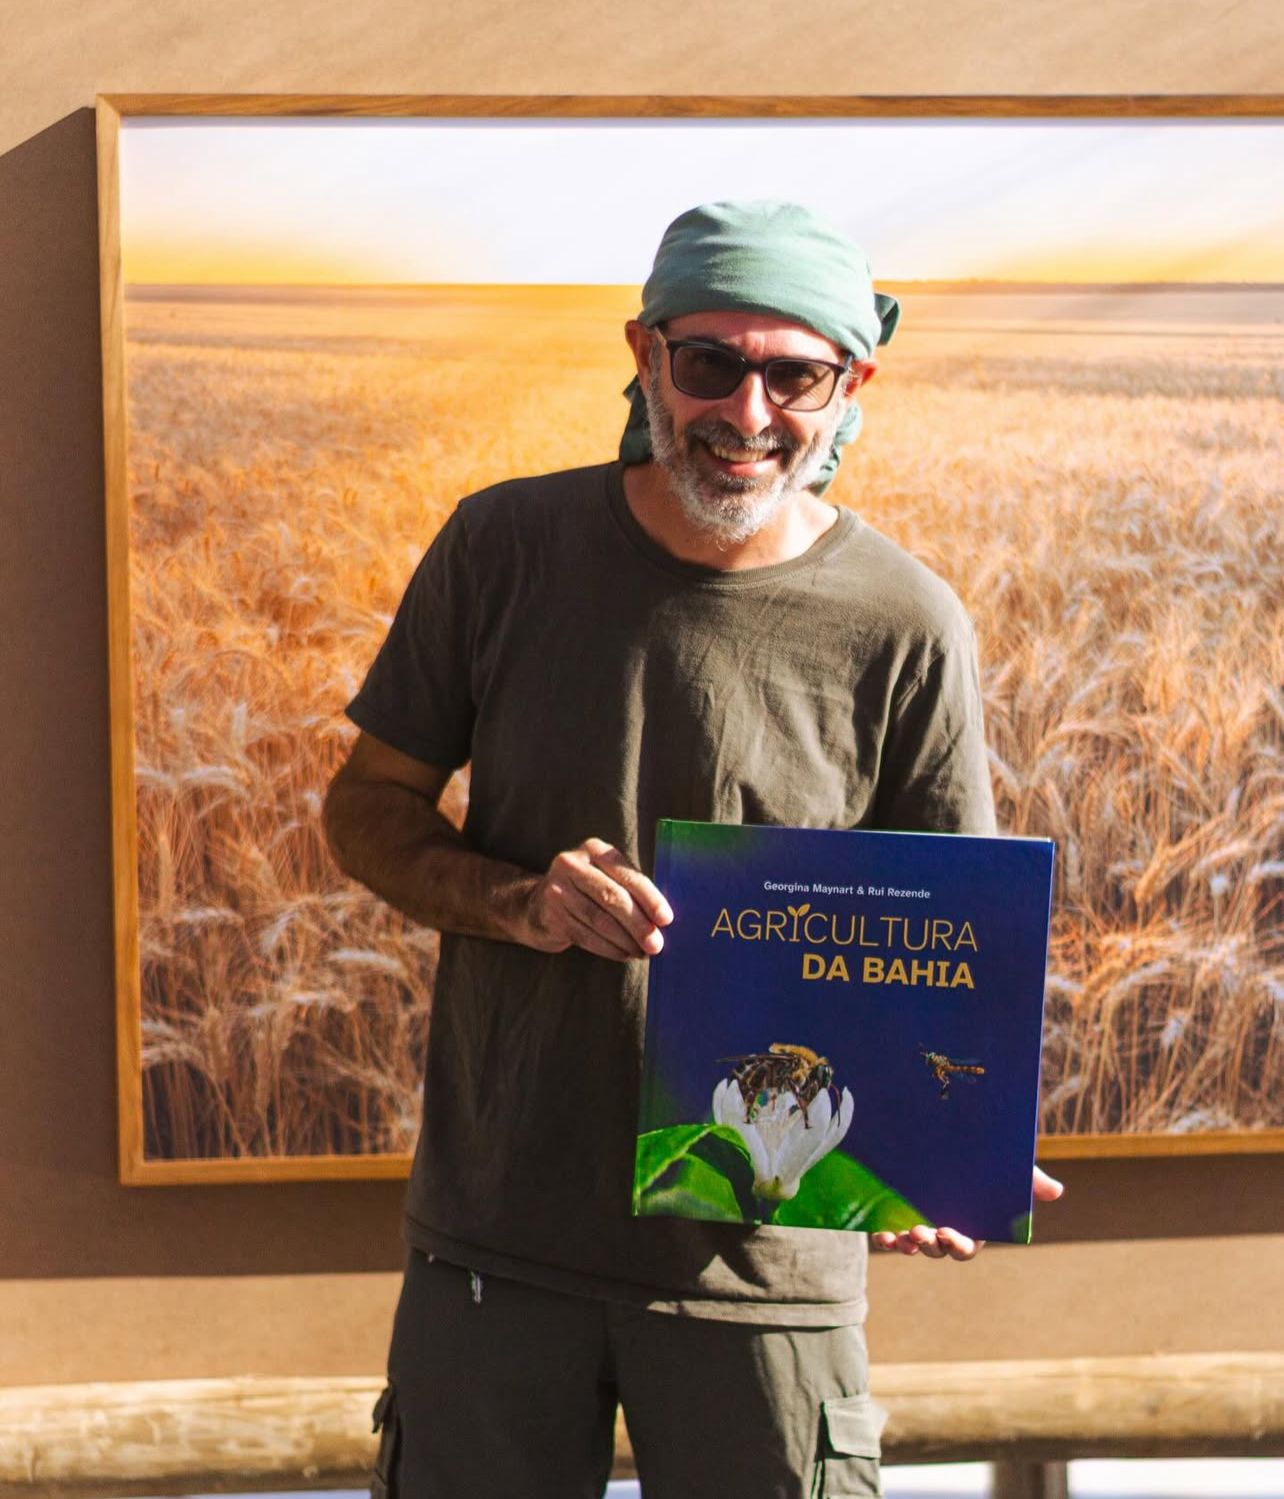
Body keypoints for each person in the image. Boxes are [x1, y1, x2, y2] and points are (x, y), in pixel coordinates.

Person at [323, 199, 1063, 1499]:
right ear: (646, 354)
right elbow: (365, 806)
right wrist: (517, 900)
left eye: (795, 373)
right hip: (498, 1247)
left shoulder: (905, 623)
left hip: (764, 1278)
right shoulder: (502, 547)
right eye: (711, 363)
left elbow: (938, 951)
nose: (747, 411)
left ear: (853, 383)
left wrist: (938, 1148)